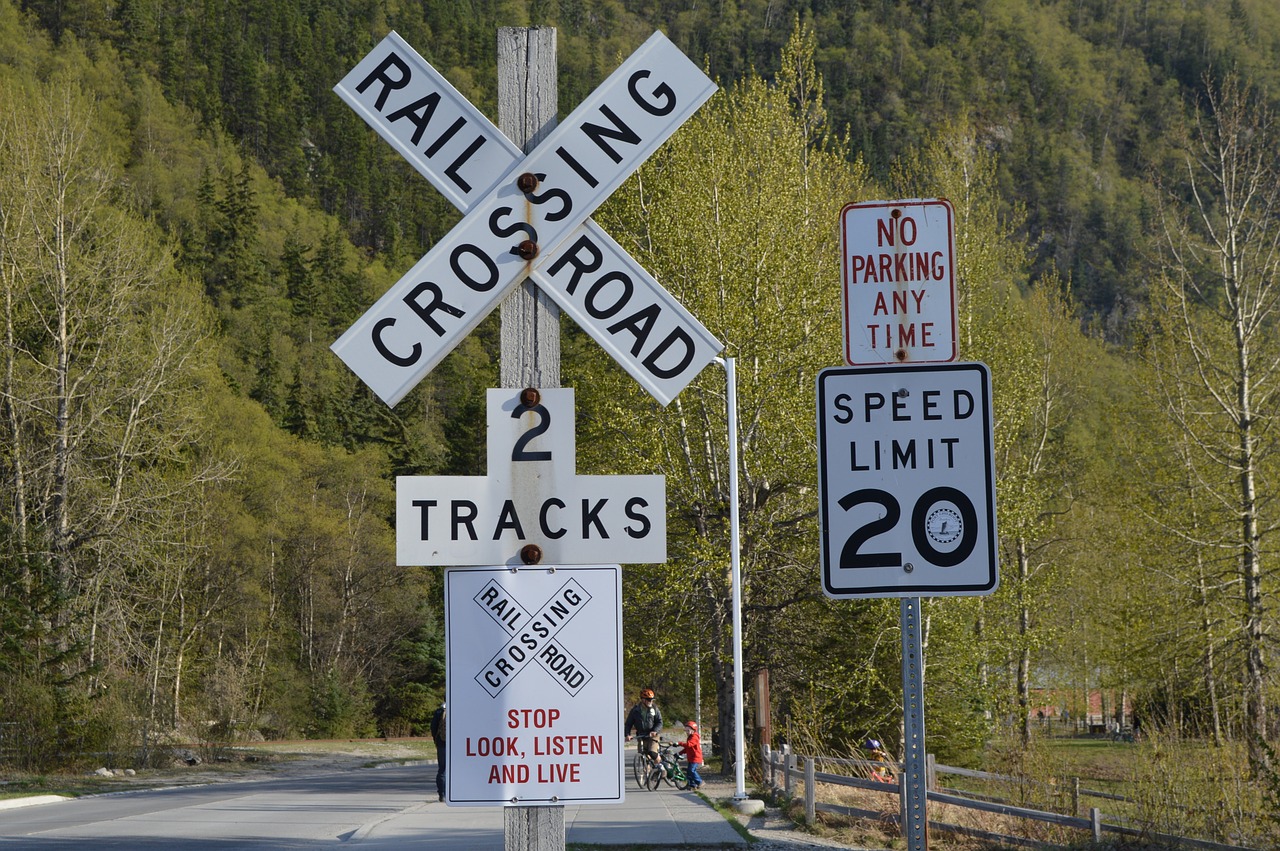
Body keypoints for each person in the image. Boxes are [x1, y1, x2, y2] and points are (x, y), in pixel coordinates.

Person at [624, 688, 663, 766]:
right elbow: (628, 724)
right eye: (649, 700)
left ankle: (661, 768)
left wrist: (654, 731)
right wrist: (627, 735)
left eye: (652, 700)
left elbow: (659, 722)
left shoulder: (654, 708)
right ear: (643, 700)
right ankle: (648, 776)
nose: (651, 701)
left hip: (653, 736)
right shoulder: (635, 711)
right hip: (641, 736)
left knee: (652, 753)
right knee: (644, 759)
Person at [678, 721, 704, 789]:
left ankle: (700, 781)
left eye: (688, 730)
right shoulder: (689, 737)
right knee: (689, 771)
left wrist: (679, 743)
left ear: (693, 730)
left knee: (692, 770)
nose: (687, 732)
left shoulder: (694, 737)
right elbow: (687, 748)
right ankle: (692, 784)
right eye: (686, 731)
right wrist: (680, 752)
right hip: (691, 757)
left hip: (696, 757)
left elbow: (689, 745)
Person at [430, 701, 446, 802]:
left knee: (442, 769)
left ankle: (442, 794)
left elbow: (433, 727)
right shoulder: (459, 709)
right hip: (458, 744)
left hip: (442, 742)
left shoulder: (439, 711)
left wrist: (436, 739)